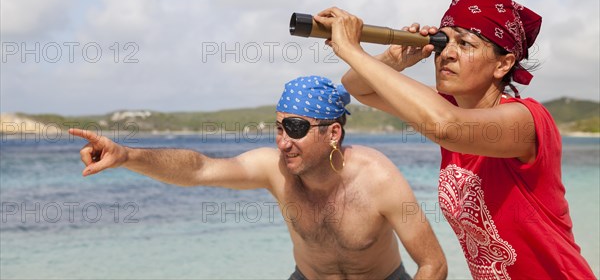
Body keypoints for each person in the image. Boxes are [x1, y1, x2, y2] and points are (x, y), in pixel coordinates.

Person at [314, 0, 596, 279]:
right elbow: (358, 87)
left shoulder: (526, 120)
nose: (447, 53)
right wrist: (392, 58)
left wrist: (351, 49)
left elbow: (445, 127)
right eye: (442, 42)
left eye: (465, 44)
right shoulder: (448, 110)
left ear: (503, 64)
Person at [71, 75, 447, 280]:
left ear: (333, 133)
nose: (284, 142)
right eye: (279, 128)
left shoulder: (378, 177)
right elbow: (200, 169)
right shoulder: (275, 169)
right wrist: (127, 156)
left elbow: (433, 265)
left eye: (296, 128)